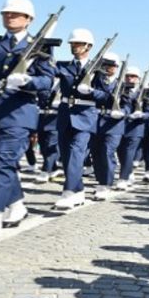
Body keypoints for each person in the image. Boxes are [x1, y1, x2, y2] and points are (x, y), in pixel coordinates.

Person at [0, 0, 55, 242]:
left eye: (16, 14)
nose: (10, 17)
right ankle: (17, 206)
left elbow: (47, 80)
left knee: (4, 162)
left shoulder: (41, 46)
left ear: (29, 19)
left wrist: (29, 81)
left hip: (19, 111)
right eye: (6, 13)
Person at [54, 28, 113, 210]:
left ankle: (69, 192)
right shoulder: (63, 66)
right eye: (72, 44)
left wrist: (92, 92)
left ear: (88, 46)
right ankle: (79, 190)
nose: (74, 46)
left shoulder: (98, 71)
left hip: (86, 116)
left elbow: (107, 97)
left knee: (76, 152)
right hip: (65, 114)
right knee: (65, 156)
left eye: (78, 44)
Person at [89, 52, 128, 200]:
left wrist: (122, 112)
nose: (107, 67)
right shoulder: (95, 80)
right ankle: (100, 181)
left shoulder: (122, 85)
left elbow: (128, 105)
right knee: (96, 152)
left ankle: (106, 184)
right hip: (96, 120)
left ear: (117, 67)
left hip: (114, 124)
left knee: (107, 152)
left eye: (111, 65)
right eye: (105, 64)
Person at [116, 66, 149, 190]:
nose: (130, 79)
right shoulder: (119, 89)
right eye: (128, 76)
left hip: (136, 127)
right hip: (120, 125)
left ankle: (123, 178)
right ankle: (128, 172)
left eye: (133, 77)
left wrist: (142, 114)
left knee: (129, 153)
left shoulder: (144, 93)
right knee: (120, 152)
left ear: (138, 79)